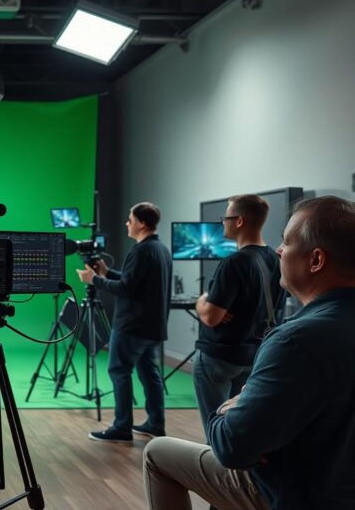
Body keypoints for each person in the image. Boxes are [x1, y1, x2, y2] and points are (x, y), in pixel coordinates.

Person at [143, 196, 355, 510]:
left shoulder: (295, 341)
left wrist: (227, 410)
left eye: (285, 242)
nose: (279, 250)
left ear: (316, 260)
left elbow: (232, 448)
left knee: (157, 453)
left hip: (296, 494)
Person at [77, 202, 172, 444]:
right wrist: (107, 272)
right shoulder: (160, 249)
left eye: (130, 219)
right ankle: (155, 423)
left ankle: (121, 427)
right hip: (152, 326)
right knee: (150, 375)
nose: (127, 224)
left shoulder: (140, 251)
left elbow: (127, 288)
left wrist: (94, 280)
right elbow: (134, 281)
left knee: (119, 371)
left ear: (141, 223)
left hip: (132, 326)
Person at [193, 194, 285, 435]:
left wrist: (201, 301)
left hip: (219, 356)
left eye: (226, 217)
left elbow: (211, 316)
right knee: (238, 425)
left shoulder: (234, 263)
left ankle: (215, 468)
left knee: (216, 428)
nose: (223, 222)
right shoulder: (276, 260)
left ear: (240, 221)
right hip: (253, 354)